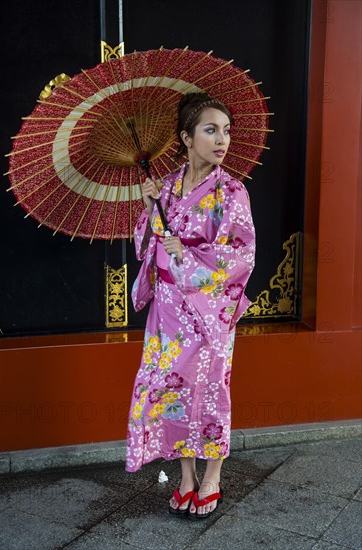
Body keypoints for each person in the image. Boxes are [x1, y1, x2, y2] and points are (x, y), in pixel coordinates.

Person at [126, 92, 256, 519]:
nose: (223, 140)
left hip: (209, 308)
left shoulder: (231, 191)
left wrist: (187, 252)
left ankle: (213, 476)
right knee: (172, 391)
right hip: (168, 309)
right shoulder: (165, 187)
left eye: (226, 131)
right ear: (186, 137)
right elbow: (148, 246)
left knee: (211, 386)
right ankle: (186, 477)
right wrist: (150, 212)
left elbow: (239, 256)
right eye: (211, 130)